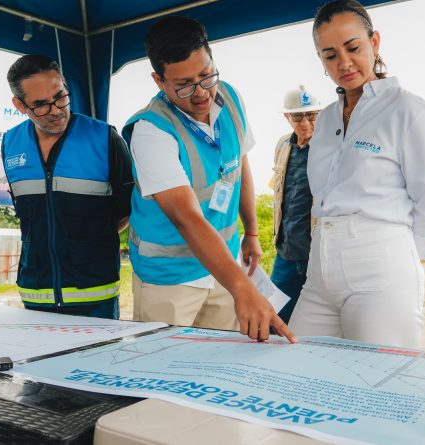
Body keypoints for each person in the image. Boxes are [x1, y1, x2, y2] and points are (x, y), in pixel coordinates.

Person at [122, 16, 295, 343]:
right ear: (159, 81)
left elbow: (239, 163)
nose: (201, 92)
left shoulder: (228, 98)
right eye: (184, 84)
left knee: (219, 367)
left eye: (206, 75)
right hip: (170, 280)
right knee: (161, 376)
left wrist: (251, 232)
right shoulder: (151, 132)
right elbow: (186, 218)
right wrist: (242, 288)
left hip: (224, 267)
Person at [289, 0, 425, 348]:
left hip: (381, 263)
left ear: (374, 43)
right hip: (320, 266)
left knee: (379, 380)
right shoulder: (327, 119)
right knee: (297, 370)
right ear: (321, 60)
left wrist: (402, 258)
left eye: (353, 47)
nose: (344, 63)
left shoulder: (410, 112)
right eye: (330, 55)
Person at [2, 54, 134, 318]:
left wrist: (89, 241)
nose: (55, 110)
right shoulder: (10, 143)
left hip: (96, 294)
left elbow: (128, 209)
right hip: (34, 293)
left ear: (64, 84)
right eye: (40, 105)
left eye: (60, 96)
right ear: (19, 104)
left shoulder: (105, 138)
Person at [269, 85, 322, 323]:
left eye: (311, 115)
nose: (305, 122)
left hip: (319, 255)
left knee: (318, 324)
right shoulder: (283, 145)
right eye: (297, 116)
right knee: (274, 320)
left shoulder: (331, 146)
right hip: (287, 254)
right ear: (287, 117)